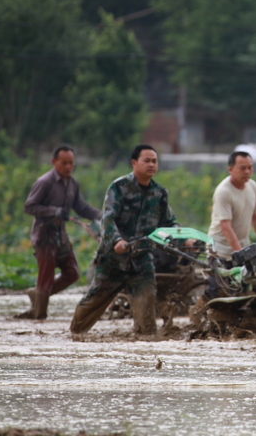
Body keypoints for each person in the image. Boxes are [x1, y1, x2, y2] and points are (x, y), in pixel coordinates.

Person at [70, 144, 179, 336]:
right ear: (134, 163)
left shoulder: (160, 193)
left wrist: (183, 238)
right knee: (94, 300)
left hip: (142, 259)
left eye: (155, 161)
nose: (152, 164)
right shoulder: (118, 188)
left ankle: (145, 341)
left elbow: (169, 223)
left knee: (146, 304)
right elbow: (108, 219)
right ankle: (74, 334)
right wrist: (117, 241)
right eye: (147, 160)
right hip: (113, 259)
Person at [18, 146, 103, 320]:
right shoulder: (44, 182)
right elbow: (29, 206)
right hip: (45, 236)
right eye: (64, 163)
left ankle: (38, 295)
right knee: (45, 278)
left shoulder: (72, 183)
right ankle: (39, 314)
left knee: (73, 273)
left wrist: (102, 216)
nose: (68, 167)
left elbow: (81, 207)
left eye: (71, 163)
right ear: (54, 162)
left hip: (61, 237)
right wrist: (53, 211)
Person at [195, 150, 256, 308]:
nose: (247, 172)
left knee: (248, 286)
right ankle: (197, 312)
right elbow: (226, 227)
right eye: (242, 168)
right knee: (217, 288)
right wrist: (242, 256)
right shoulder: (224, 192)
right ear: (230, 169)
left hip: (242, 245)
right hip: (220, 248)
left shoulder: (253, 186)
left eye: (250, 167)